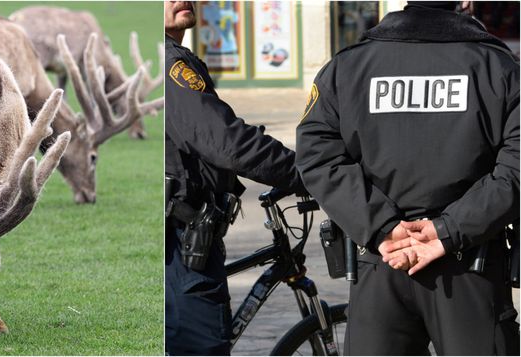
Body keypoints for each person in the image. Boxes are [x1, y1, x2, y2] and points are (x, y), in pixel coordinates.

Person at [296, 1, 519, 355]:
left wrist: (384, 228)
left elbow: (317, 156)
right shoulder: (499, 66)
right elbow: (516, 169)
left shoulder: (347, 65)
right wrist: (447, 230)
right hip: (469, 264)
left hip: (382, 261)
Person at [164, 1, 305, 355]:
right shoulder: (169, 65)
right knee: (203, 346)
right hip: (178, 244)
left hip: (187, 236)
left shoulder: (173, 58)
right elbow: (226, 141)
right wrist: (303, 172)